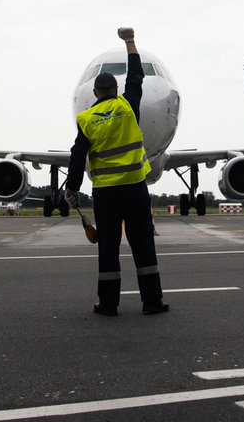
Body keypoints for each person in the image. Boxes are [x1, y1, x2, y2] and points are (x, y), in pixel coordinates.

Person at [65, 27, 168, 316]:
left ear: (95, 93)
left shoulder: (86, 119)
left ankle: (108, 304)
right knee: (143, 246)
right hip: (135, 188)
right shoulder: (128, 106)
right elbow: (136, 76)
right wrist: (130, 42)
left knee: (108, 249)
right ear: (117, 91)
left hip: (105, 194)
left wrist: (71, 189)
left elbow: (77, 155)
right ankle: (152, 302)